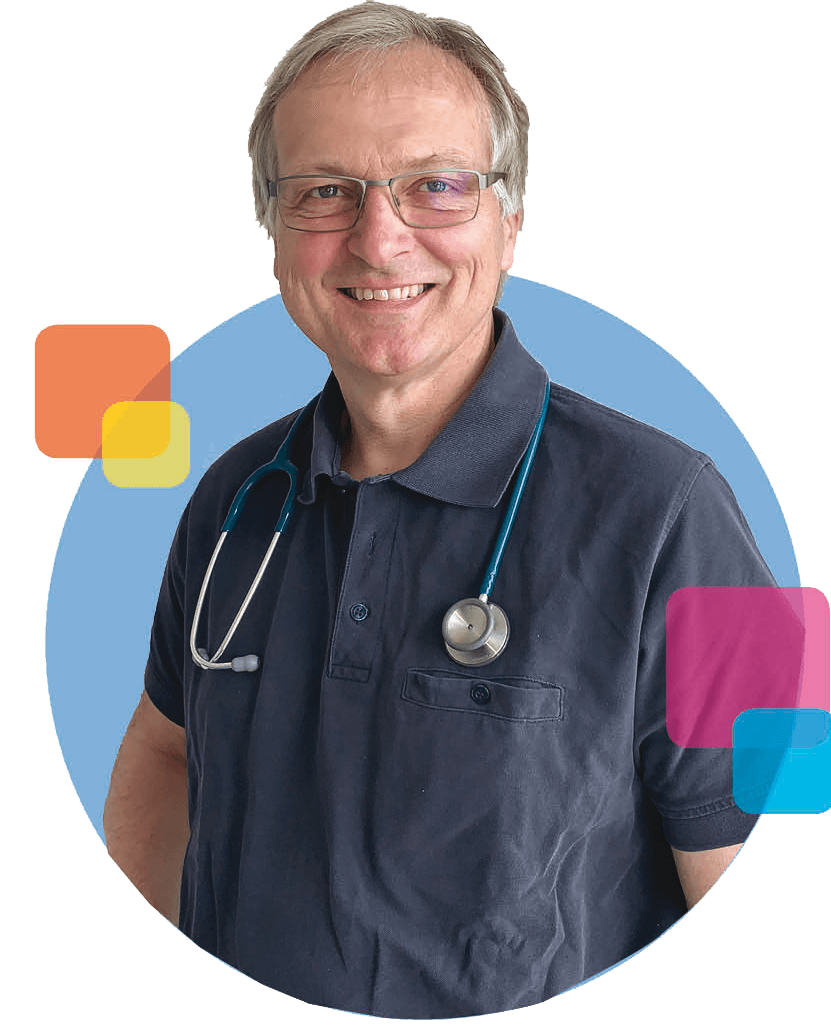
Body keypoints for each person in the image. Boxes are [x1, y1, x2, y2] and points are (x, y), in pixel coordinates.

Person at [104, 3, 772, 1018]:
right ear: (274, 229)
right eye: (325, 190)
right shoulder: (234, 496)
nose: (378, 240)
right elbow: (164, 748)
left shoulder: (681, 509)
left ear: (510, 220)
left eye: (437, 185)